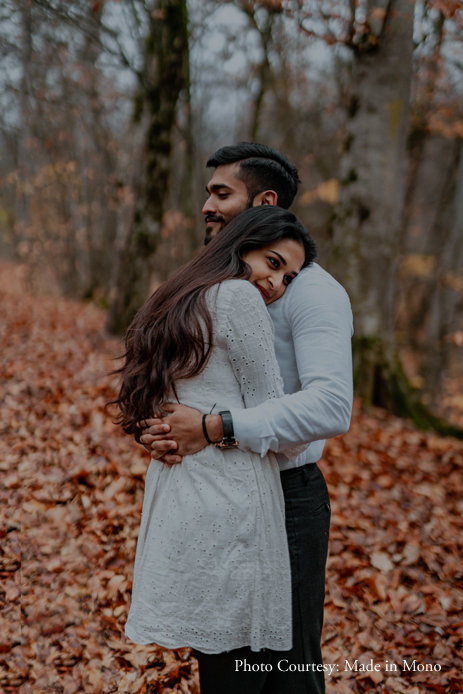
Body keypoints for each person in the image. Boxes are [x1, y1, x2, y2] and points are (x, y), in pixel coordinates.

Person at [141, 142, 354, 694]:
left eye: (221, 194)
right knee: (225, 667)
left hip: (286, 499)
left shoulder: (315, 293)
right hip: (219, 497)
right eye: (208, 193)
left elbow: (332, 405)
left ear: (262, 201)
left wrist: (216, 428)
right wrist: (164, 431)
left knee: (286, 673)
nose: (207, 206)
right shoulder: (218, 287)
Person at [113, 205, 318, 693]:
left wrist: (164, 431)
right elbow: (278, 419)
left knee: (219, 660)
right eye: (272, 262)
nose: (276, 283)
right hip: (233, 500)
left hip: (182, 492)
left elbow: (155, 403)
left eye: (287, 276)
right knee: (243, 664)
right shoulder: (239, 299)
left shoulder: (180, 296)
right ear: (240, 245)